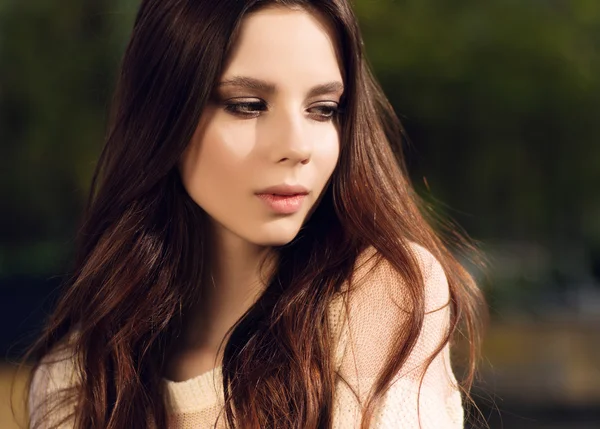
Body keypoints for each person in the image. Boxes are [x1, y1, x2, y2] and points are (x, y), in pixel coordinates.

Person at [23, 0, 485, 428]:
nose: (296, 147)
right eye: (247, 106)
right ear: (164, 115)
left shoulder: (382, 293)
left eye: (323, 110)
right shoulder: (77, 377)